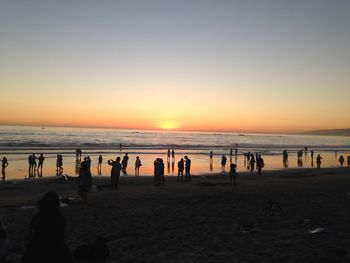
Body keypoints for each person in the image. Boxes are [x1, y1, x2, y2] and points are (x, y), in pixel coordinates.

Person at [22, 191, 72, 263]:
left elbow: (31, 236)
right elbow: (60, 239)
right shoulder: (60, 219)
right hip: (57, 251)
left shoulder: (37, 218)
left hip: (37, 250)